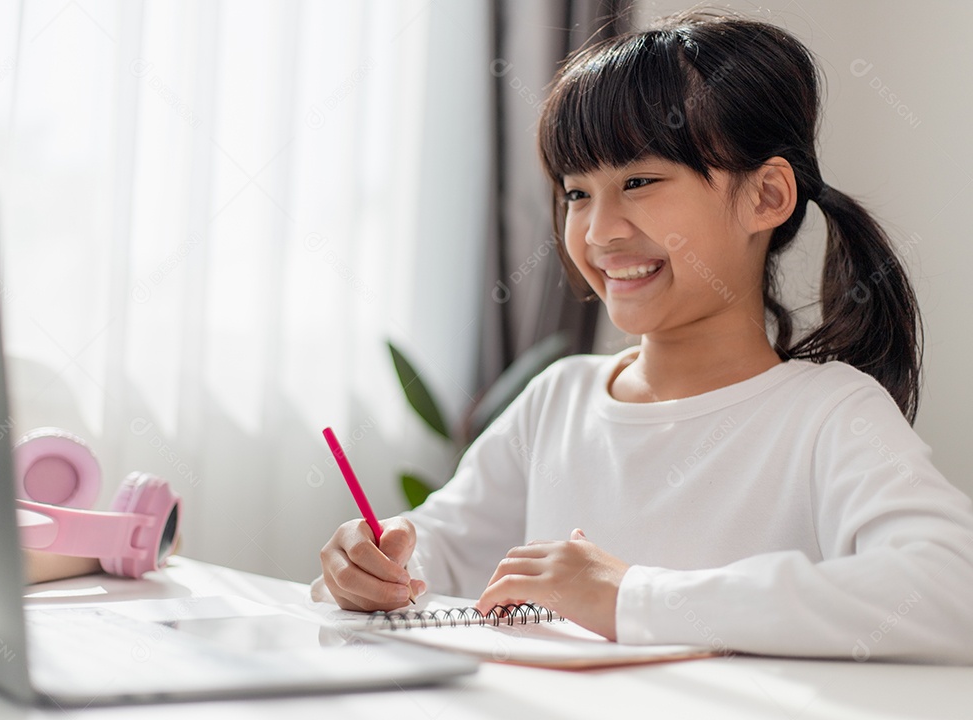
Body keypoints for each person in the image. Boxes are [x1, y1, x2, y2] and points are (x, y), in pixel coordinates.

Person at [316, 10, 973, 663]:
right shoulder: (560, 399)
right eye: (576, 194)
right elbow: (438, 548)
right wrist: (375, 563)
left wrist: (634, 598)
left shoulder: (829, 412)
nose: (599, 233)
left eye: (638, 182)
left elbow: (949, 587)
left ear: (766, 196)